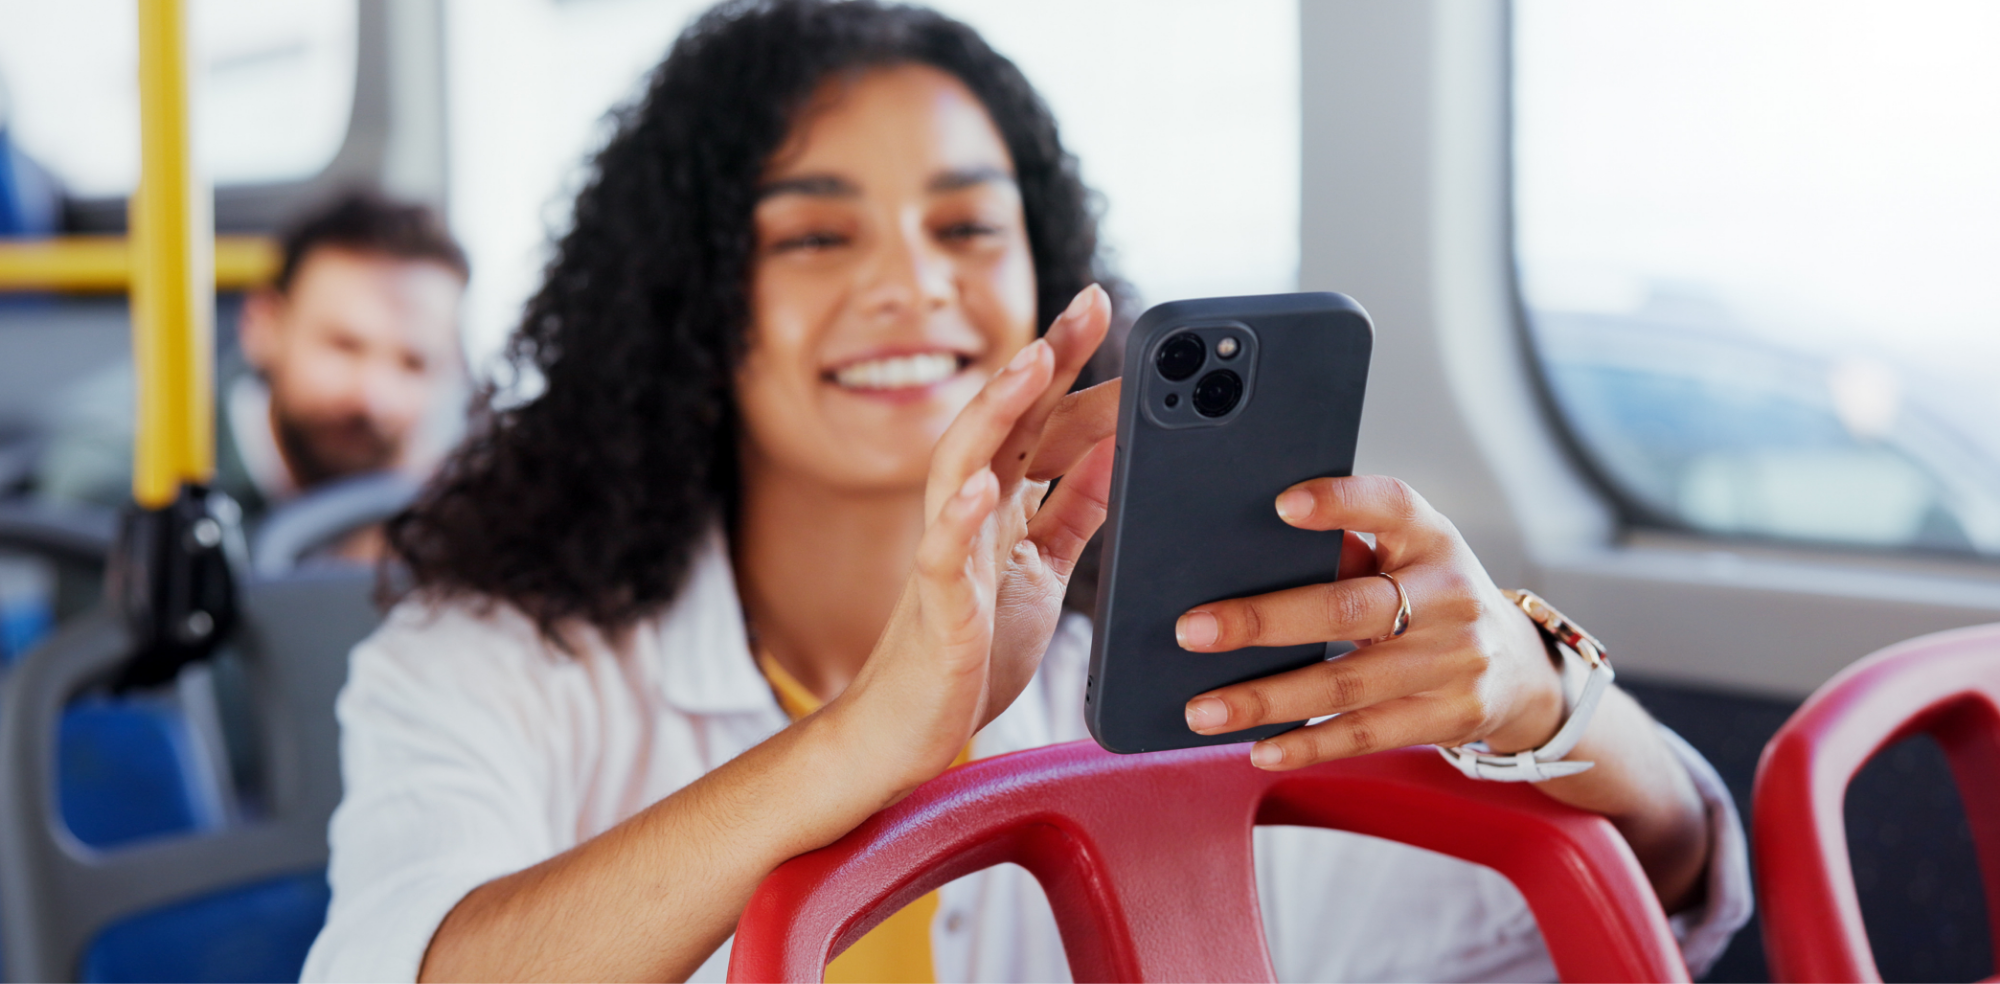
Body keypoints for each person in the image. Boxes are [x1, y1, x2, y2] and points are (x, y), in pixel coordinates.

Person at [303, 3, 1751, 983]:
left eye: (966, 227)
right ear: (689, 303)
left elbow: (1633, 897)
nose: (911, 286)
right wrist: (866, 744)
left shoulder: (1173, 667)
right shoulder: (487, 658)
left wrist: (1543, 700)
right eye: (816, 238)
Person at [36, 192, 468, 547]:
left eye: (414, 364)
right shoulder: (127, 469)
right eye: (344, 347)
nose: (374, 397)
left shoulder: (449, 484)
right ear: (262, 327)